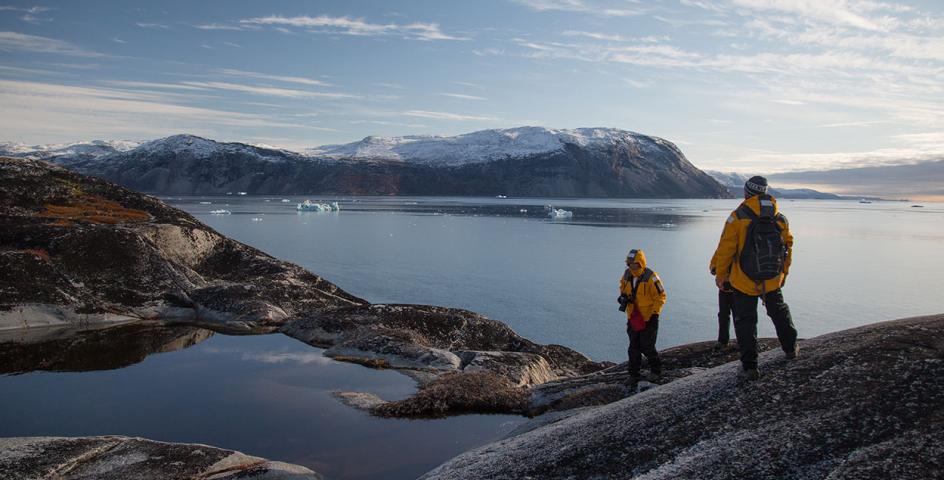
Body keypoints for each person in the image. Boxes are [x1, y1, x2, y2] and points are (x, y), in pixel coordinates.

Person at [710, 176, 799, 380]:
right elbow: (787, 249)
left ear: (747, 192)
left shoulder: (738, 217)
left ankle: (750, 366)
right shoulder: (780, 218)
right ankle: (791, 348)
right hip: (772, 278)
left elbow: (726, 249)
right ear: (765, 192)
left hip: (744, 279)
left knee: (745, 320)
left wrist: (721, 275)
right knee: (779, 312)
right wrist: (784, 272)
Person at [618, 248, 666, 384]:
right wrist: (622, 297)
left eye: (634, 264)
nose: (631, 267)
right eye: (629, 264)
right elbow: (622, 287)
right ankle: (634, 374)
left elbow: (661, 296)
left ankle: (656, 372)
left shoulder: (651, 277)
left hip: (649, 318)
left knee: (648, 347)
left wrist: (655, 314)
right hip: (633, 317)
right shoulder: (627, 275)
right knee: (633, 347)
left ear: (640, 263)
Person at [709, 255, 735, 349]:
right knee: (723, 315)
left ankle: (743, 340)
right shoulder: (721, 250)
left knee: (740, 316)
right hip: (723, 289)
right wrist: (714, 268)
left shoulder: (739, 249)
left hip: (737, 290)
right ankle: (723, 341)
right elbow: (713, 262)